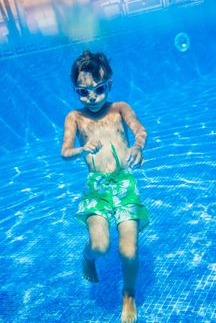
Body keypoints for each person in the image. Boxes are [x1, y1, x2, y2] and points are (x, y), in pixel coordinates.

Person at [61, 50, 149, 323]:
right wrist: (80, 149)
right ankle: (87, 258)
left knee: (129, 249)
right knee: (100, 246)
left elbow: (141, 130)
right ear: (76, 91)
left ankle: (128, 295)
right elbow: (64, 151)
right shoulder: (74, 117)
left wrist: (137, 146)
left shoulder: (120, 108)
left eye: (98, 90)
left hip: (124, 185)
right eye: (83, 92)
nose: (92, 98)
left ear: (108, 84)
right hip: (97, 188)